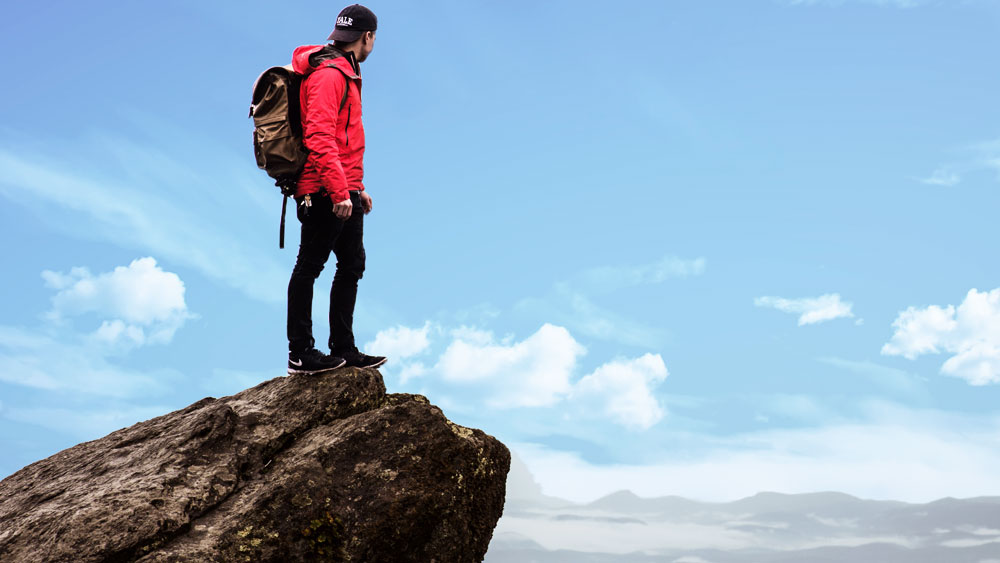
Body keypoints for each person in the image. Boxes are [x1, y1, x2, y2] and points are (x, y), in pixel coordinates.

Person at [286, 4, 387, 374]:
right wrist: (339, 190)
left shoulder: (347, 71)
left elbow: (344, 140)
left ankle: (343, 348)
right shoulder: (329, 75)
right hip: (323, 188)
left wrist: (357, 187)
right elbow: (319, 137)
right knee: (309, 267)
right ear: (368, 37)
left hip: (344, 186)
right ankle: (300, 353)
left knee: (352, 265)